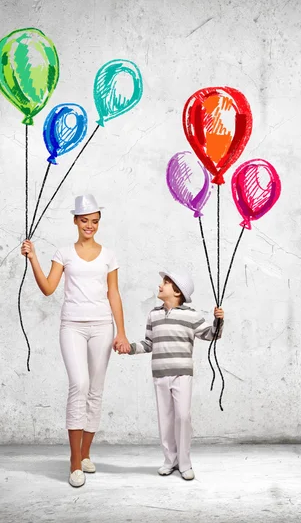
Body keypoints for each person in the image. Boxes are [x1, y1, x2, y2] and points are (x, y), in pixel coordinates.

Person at [21, 194, 129, 488]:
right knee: (78, 384)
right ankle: (73, 461)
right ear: (75, 221)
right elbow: (48, 288)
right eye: (84, 221)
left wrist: (121, 331)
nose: (89, 226)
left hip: (102, 326)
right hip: (72, 326)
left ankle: (85, 454)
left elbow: (114, 294)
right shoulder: (64, 253)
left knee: (95, 390)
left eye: (94, 221)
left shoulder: (109, 255)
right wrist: (33, 258)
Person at [115, 269, 223, 480]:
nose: (159, 285)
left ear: (177, 291)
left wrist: (218, 320)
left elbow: (211, 334)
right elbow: (148, 344)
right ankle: (170, 461)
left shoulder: (191, 315)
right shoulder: (153, 315)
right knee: (165, 419)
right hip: (160, 374)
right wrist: (129, 347)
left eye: (164, 282)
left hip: (182, 374)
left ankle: (184, 463)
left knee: (182, 416)